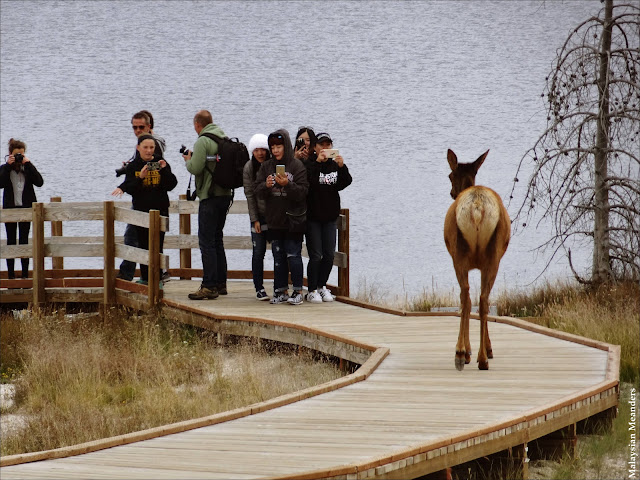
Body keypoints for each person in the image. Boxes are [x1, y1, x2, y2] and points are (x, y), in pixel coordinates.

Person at [182, 110, 233, 300]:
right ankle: (221, 283)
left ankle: (209, 285)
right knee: (217, 239)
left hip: (209, 197)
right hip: (225, 196)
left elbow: (195, 168)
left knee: (206, 242)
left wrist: (188, 160)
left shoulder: (203, 141)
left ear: (197, 124)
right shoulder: (223, 138)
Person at [113, 110, 169, 282]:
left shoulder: (154, 144)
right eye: (134, 127)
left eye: (141, 127)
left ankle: (131, 275)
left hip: (151, 200)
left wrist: (135, 175)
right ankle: (153, 274)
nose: (137, 130)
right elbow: (140, 167)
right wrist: (130, 168)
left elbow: (155, 167)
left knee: (137, 238)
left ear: (149, 126)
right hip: (141, 197)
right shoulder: (144, 143)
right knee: (142, 239)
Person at [255, 129, 308, 305]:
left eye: (279, 146)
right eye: (273, 147)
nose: (276, 150)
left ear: (286, 146)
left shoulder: (297, 166)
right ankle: (280, 290)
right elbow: (257, 191)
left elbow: (303, 192)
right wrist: (266, 185)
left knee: (293, 255)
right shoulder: (266, 166)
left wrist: (288, 185)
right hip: (275, 220)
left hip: (293, 221)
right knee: (278, 257)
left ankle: (298, 290)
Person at [118, 135, 177, 286]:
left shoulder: (159, 162)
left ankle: (157, 279)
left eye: (152, 148)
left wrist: (164, 170)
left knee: (157, 245)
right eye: (145, 147)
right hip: (141, 211)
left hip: (160, 210)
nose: (149, 151)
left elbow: (171, 185)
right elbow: (130, 188)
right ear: (138, 148)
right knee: (143, 245)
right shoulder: (133, 166)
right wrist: (141, 177)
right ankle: (146, 278)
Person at [304, 132, 352, 303]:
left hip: (330, 217)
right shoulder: (309, 164)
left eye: (328, 145)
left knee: (329, 255)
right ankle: (311, 289)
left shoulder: (334, 165)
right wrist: (317, 163)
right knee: (316, 255)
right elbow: (308, 183)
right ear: (315, 148)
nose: (325, 148)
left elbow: (345, 182)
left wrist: (342, 167)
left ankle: (321, 286)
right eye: (321, 145)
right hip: (313, 218)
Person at [0, 138, 44, 279]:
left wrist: (28, 163)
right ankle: (11, 277)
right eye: (16, 155)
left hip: (26, 210)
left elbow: (39, 182)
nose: (19, 157)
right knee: (11, 242)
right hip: (10, 211)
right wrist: (8, 165)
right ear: (10, 154)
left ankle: (25, 276)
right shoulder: (4, 169)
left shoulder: (27, 169)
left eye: (21, 154)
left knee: (24, 241)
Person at [243, 134, 271, 301]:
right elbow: (249, 195)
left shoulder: (273, 165)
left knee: (279, 252)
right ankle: (259, 287)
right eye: (256, 150)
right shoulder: (249, 168)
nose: (260, 153)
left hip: (275, 216)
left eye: (263, 149)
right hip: (258, 215)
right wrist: (255, 219)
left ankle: (280, 287)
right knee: (258, 252)